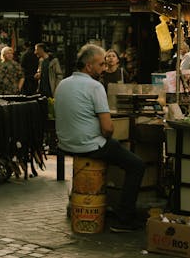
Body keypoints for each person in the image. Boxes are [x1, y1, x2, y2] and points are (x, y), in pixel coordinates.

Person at [54, 44, 145, 232]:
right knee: (136, 165)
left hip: (65, 144)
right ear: (89, 66)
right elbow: (108, 128)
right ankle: (124, 219)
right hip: (88, 145)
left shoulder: (63, 83)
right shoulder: (95, 86)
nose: (104, 68)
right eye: (101, 64)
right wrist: (106, 135)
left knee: (114, 151)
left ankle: (100, 202)